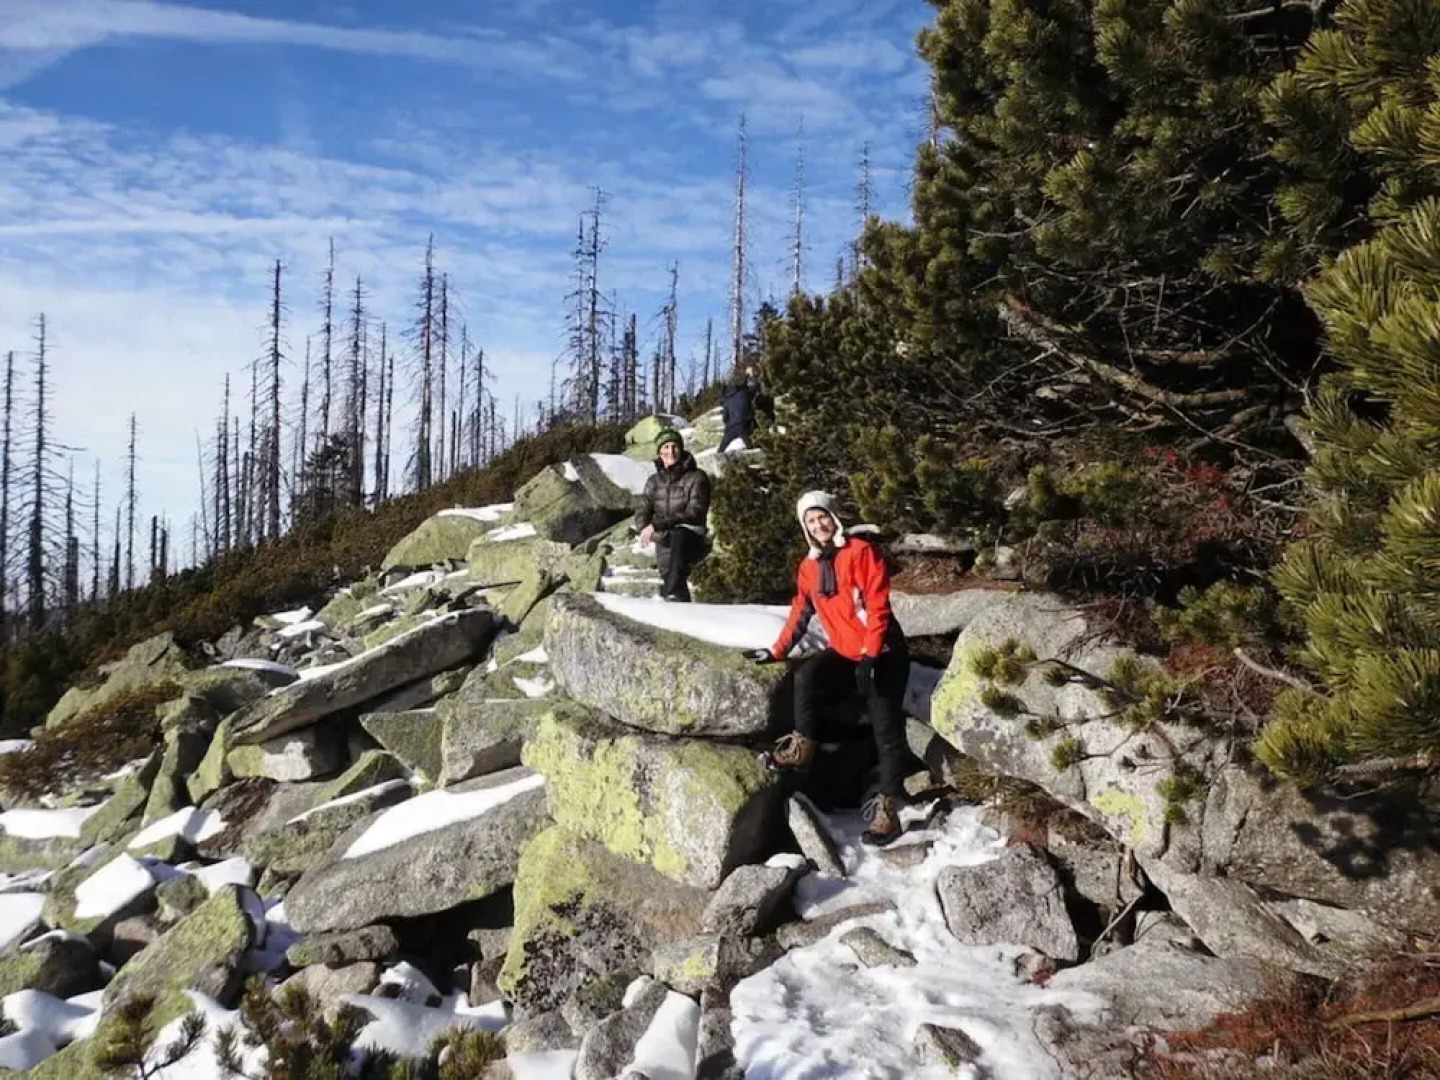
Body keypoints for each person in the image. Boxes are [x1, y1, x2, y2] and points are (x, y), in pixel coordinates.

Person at [742, 491, 910, 845]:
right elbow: (800, 612)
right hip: (846, 652)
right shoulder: (809, 566)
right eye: (810, 521)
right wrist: (776, 650)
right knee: (807, 676)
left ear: (835, 517)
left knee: (885, 726)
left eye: (822, 517)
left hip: (884, 652)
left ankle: (888, 809)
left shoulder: (861, 552)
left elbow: (878, 607)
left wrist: (872, 654)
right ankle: (803, 747)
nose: (818, 525)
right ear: (805, 528)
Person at [635, 428, 711, 603]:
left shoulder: (697, 477)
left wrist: (659, 525)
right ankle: (673, 602)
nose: (671, 452)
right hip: (663, 537)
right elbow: (641, 512)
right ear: (659, 452)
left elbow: (696, 511)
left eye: (675, 446)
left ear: (681, 449)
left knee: (679, 535)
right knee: (668, 573)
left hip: (691, 533)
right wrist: (650, 531)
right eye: (666, 447)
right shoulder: (653, 482)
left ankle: (675, 595)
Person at [720, 365, 774, 452]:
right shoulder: (745, 392)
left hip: (730, 427)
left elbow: (724, 418)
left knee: (721, 450)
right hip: (744, 424)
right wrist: (751, 375)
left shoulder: (726, 398)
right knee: (753, 448)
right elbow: (755, 387)